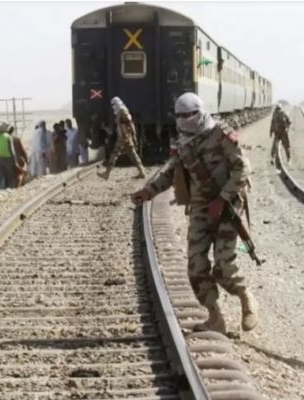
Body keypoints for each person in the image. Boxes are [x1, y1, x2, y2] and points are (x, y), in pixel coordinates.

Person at [131, 92, 257, 334]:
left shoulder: (221, 133)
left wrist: (222, 198)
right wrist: (148, 192)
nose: (184, 120)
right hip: (200, 207)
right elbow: (172, 172)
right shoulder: (183, 141)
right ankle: (215, 318)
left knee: (224, 265)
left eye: (189, 115)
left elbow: (243, 168)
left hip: (228, 204)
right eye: (180, 116)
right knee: (196, 267)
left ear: (199, 112)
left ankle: (246, 297)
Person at [97, 97, 146, 179]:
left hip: (124, 137)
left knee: (115, 154)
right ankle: (142, 171)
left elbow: (129, 125)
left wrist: (130, 136)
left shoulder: (122, 112)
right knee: (132, 154)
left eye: (113, 105)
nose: (113, 107)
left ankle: (107, 173)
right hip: (125, 137)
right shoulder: (121, 111)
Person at [0, 124, 20, 191]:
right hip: (7, 159)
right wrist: (15, 162)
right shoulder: (8, 137)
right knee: (10, 176)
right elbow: (12, 150)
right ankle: (10, 191)